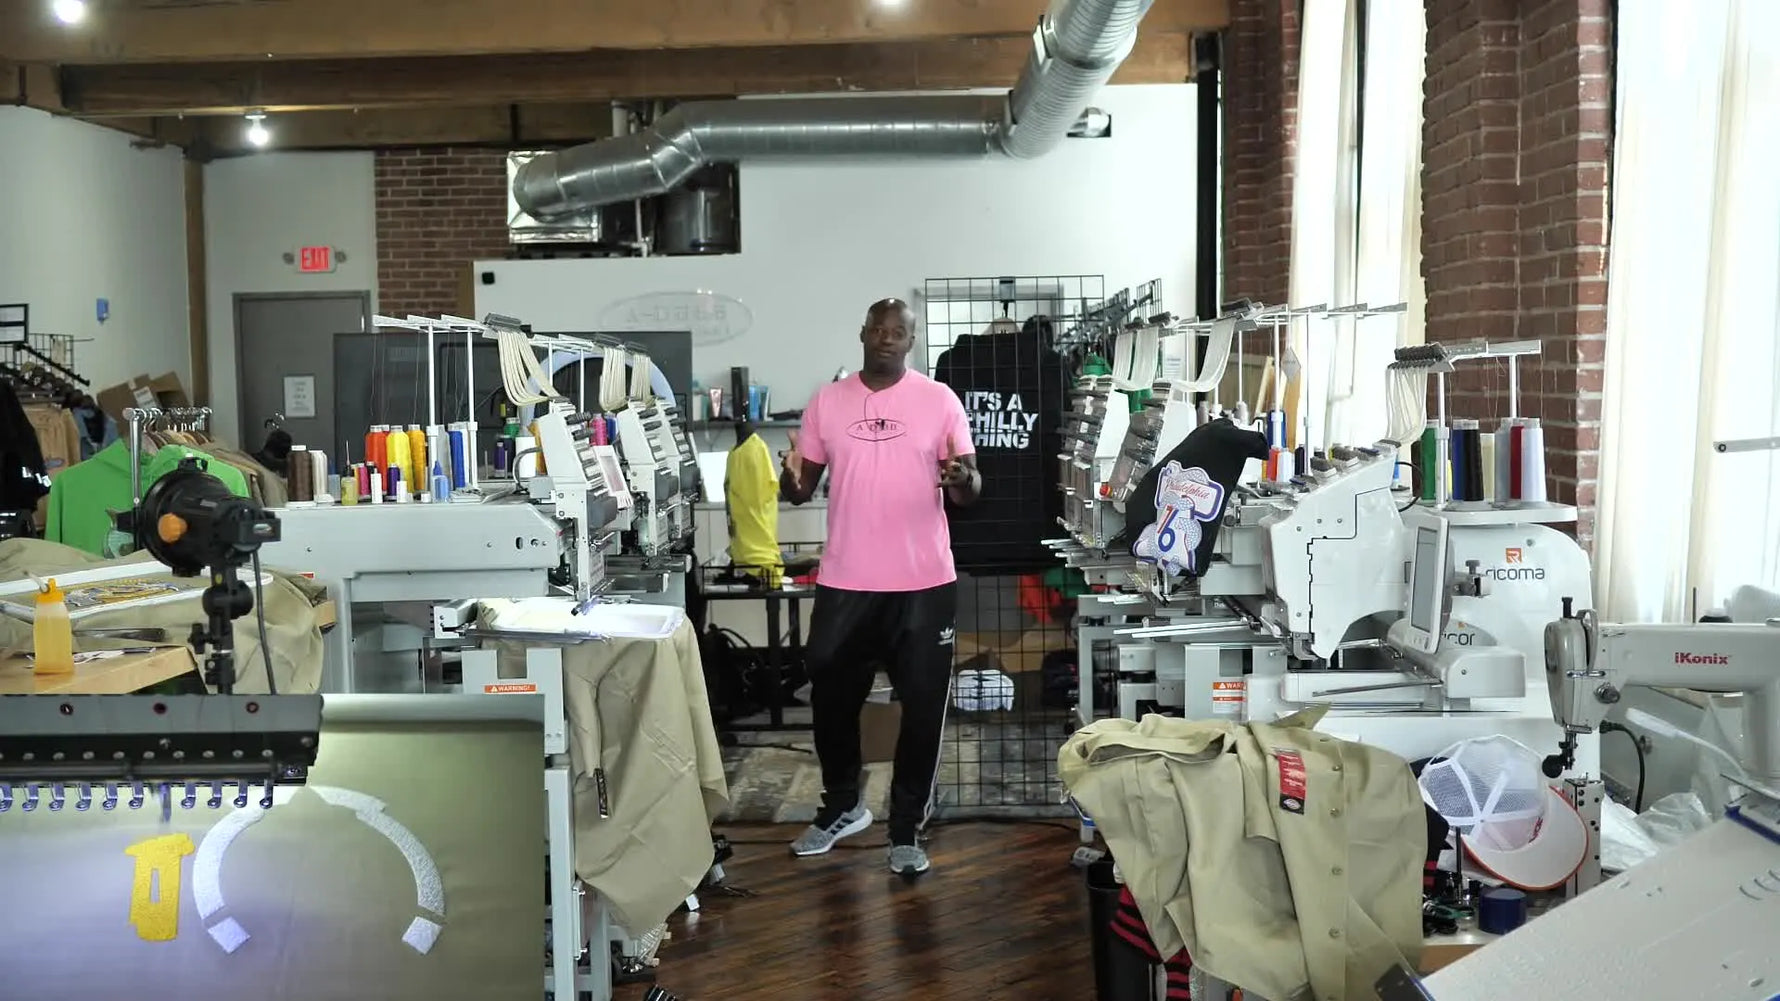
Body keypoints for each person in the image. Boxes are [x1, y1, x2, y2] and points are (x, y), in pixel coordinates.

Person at [779, 297, 981, 877]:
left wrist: (963, 478)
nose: (888, 338)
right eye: (879, 328)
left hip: (923, 583)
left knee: (921, 708)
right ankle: (843, 806)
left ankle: (905, 826)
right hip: (846, 580)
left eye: (900, 331)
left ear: (911, 341)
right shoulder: (829, 400)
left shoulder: (939, 400)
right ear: (863, 332)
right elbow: (802, 486)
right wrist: (789, 479)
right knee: (830, 694)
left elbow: (969, 484)